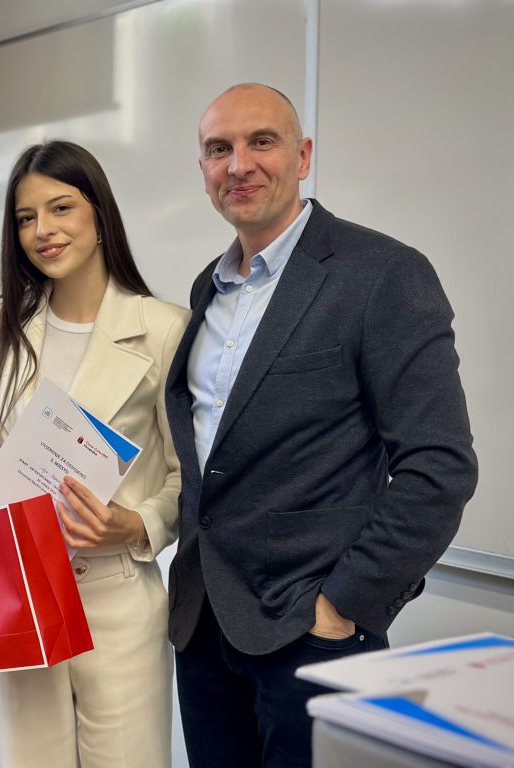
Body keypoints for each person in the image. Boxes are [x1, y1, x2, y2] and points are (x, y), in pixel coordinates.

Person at [165, 83, 478, 768]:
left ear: (303, 156)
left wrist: (344, 605)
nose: (238, 165)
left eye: (262, 142)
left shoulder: (383, 274)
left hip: (311, 634)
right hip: (205, 627)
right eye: (218, 149)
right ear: (203, 169)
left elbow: (439, 466)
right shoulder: (207, 287)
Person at [0, 140, 189, 768]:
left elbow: (186, 478)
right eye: (26, 217)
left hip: (117, 595)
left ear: (99, 214)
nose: (43, 230)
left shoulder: (164, 328)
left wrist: (136, 524)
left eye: (61, 208)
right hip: (17, 588)